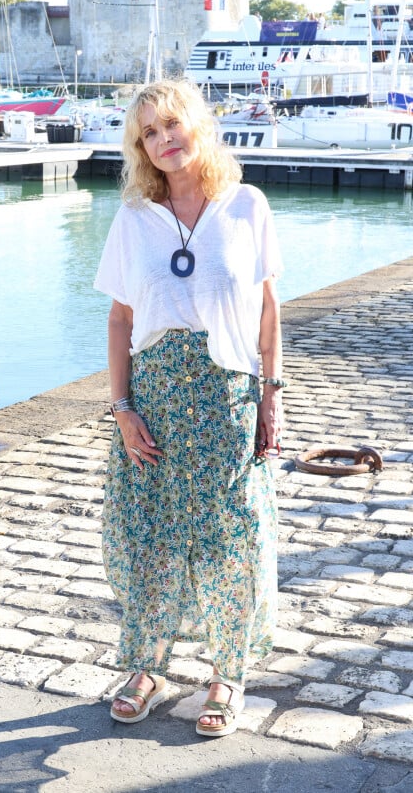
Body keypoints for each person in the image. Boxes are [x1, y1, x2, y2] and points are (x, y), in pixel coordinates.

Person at [93, 78, 284, 738]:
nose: (163, 139)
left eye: (171, 123)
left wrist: (272, 396)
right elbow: (120, 319)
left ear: (197, 124)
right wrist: (121, 407)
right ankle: (145, 666)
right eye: (148, 132)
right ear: (140, 147)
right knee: (150, 536)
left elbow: (267, 310)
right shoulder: (132, 217)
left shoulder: (245, 205)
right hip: (156, 397)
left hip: (227, 395)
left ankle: (226, 673)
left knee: (231, 537)